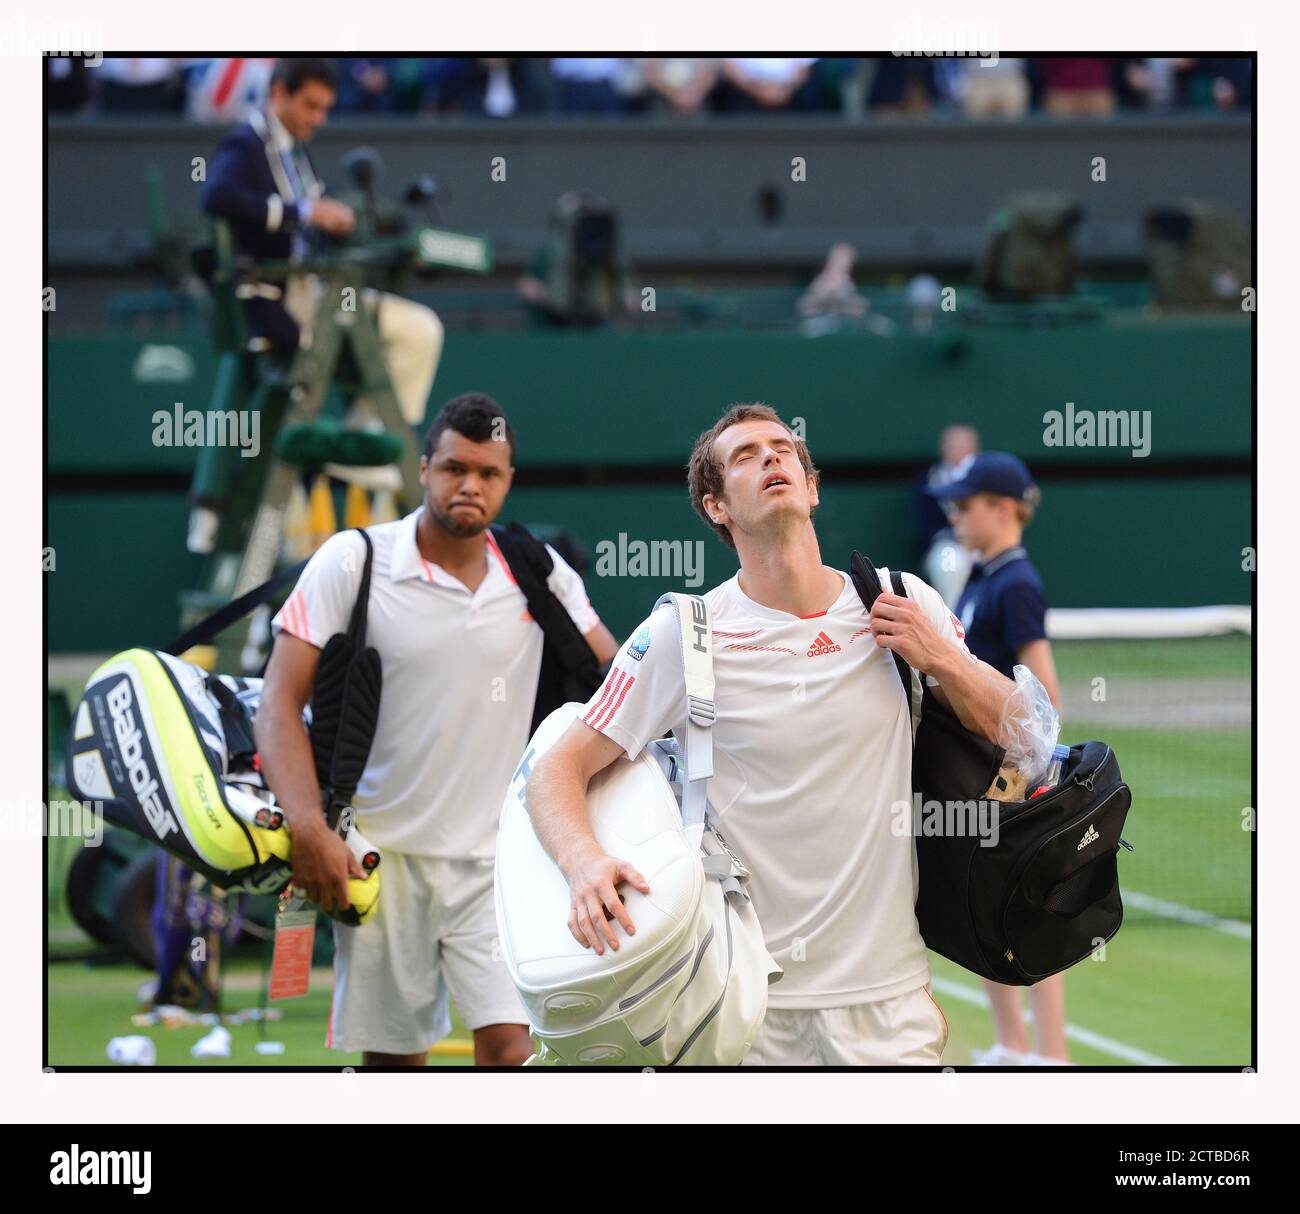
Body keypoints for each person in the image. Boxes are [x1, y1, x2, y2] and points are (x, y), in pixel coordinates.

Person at [523, 403, 1018, 1065]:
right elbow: (556, 770)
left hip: (888, 1005)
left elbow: (1023, 733)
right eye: (746, 455)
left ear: (812, 489)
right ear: (716, 507)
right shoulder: (683, 632)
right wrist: (585, 866)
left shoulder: (902, 601)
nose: (771, 458)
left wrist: (946, 659)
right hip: (741, 1009)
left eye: (783, 448)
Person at [255, 394, 619, 1067]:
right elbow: (277, 700)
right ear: (423, 469)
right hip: (379, 860)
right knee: (395, 1066)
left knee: (514, 1051)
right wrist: (307, 825)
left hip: (505, 860)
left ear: (508, 481)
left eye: (489, 473)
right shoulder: (351, 560)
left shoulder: (539, 571)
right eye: (455, 468)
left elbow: (619, 682)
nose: (470, 486)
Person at [930, 451, 1067, 1065]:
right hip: (977, 779)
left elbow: (1045, 695)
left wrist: (1020, 780)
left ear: (1003, 508)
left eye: (967, 504)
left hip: (1009, 784)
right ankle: (1013, 1046)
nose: (955, 515)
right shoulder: (983, 577)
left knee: (1026, 914)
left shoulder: (1017, 582)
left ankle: (1052, 1055)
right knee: (980, 910)